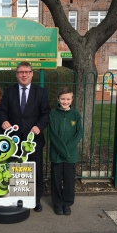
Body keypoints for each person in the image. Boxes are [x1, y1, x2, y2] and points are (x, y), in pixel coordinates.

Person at [0, 61, 51, 212]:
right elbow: (2, 111)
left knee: (35, 170)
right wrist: (4, 121)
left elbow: (46, 114)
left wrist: (39, 126)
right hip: (14, 140)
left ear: (32, 73)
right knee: (16, 169)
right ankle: (18, 198)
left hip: (33, 140)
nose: (24, 74)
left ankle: (36, 200)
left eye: (27, 71)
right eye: (21, 72)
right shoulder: (9, 92)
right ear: (17, 74)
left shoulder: (40, 92)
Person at [49, 86, 83, 216]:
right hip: (57, 154)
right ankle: (57, 204)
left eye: (68, 99)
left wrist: (67, 151)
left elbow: (78, 134)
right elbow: (53, 135)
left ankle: (67, 203)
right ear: (58, 99)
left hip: (70, 154)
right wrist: (63, 150)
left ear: (72, 100)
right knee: (56, 180)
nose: (65, 101)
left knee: (69, 180)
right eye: (63, 99)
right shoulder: (53, 115)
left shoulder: (76, 115)